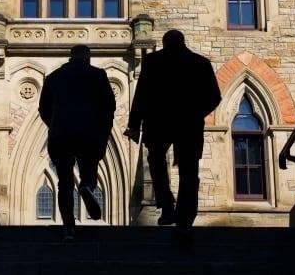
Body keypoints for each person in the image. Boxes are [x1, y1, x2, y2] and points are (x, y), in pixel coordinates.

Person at [124, 29, 221, 236]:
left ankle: (167, 206)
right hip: (189, 124)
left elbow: (141, 95)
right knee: (189, 171)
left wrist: (134, 124)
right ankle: (185, 217)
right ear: (183, 42)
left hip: (159, 122)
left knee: (157, 164)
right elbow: (214, 97)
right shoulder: (200, 63)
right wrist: (197, 113)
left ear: (165, 43)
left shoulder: (153, 62)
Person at [39, 44, 116, 242]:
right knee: (88, 170)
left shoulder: (54, 77)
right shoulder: (97, 75)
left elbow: (43, 108)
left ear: (70, 57)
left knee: (64, 182)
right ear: (88, 57)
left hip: (60, 134)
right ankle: (87, 186)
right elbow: (108, 107)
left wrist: (55, 124)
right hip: (87, 133)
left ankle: (68, 229)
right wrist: (101, 132)